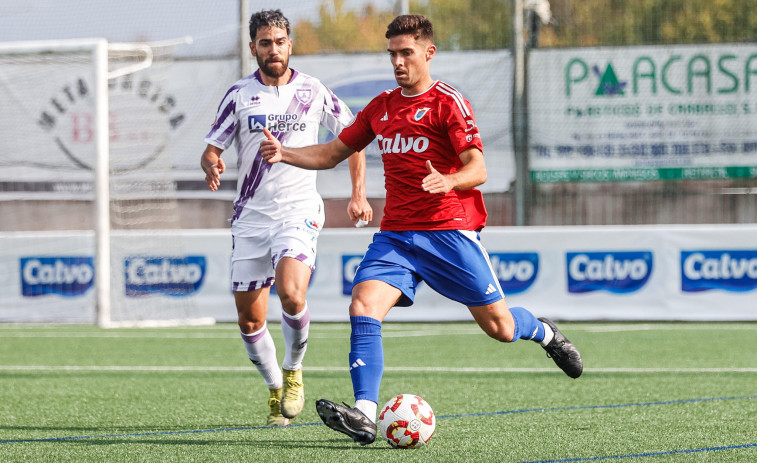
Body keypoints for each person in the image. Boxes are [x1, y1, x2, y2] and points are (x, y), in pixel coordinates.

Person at [260, 14, 582, 444]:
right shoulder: (381, 107)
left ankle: (543, 331)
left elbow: (479, 167)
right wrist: (285, 153)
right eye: (392, 53)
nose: (397, 61)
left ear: (428, 52)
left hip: (449, 232)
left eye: (406, 52)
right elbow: (334, 151)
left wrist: (449, 180)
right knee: (362, 306)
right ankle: (365, 413)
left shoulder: (448, 102)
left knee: (500, 328)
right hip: (397, 236)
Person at [200, 9, 372, 427]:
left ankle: (295, 369)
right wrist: (211, 163)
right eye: (264, 42)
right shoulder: (238, 95)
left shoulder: (314, 90)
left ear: (290, 44)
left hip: (297, 211)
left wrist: (358, 194)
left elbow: (355, 137)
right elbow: (212, 148)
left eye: (279, 41)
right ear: (253, 48)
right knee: (250, 318)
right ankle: (275, 388)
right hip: (250, 218)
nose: (273, 49)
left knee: (292, 294)